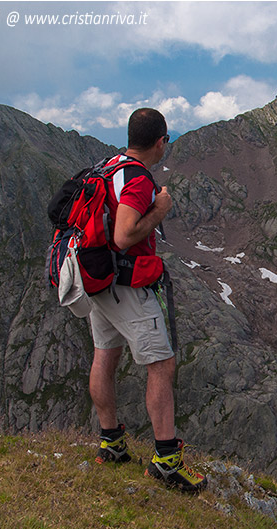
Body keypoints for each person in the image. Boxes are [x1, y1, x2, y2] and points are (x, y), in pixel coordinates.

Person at [87, 107, 206, 492]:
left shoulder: (111, 166)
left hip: (100, 283)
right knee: (162, 364)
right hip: (127, 284)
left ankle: (111, 443)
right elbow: (124, 235)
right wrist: (160, 208)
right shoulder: (138, 180)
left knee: (105, 354)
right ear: (160, 141)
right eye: (166, 141)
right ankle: (167, 462)